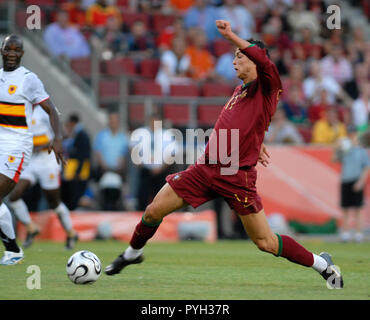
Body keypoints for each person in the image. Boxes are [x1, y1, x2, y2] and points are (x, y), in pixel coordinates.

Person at [105, 20, 343, 289]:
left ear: (254, 60)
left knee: (265, 242)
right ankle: (131, 255)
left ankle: (322, 264)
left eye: (239, 57)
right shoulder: (240, 90)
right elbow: (252, 121)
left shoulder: (268, 84)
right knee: (152, 211)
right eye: (233, 57)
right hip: (205, 169)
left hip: (235, 176)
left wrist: (230, 35)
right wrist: (257, 141)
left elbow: (263, 61)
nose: (234, 62)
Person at [0, 35, 64, 265]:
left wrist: (57, 139)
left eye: (17, 50)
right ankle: (12, 251)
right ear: (2, 50)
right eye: (9, 49)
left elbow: (52, 110)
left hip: (17, 147)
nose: (12, 54)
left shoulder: (29, 79)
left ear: (22, 54)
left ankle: (13, 250)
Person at [8, 106, 78, 250]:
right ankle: (31, 227)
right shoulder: (20, 108)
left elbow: (62, 133)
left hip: (48, 160)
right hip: (31, 160)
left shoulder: (44, 110)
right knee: (14, 195)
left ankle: (71, 233)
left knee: (53, 201)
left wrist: (41, 145)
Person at [332, 126, 370, 242]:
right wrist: (337, 148)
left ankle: (358, 233)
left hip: (356, 180)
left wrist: (361, 182)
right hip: (345, 180)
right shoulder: (345, 149)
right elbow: (334, 159)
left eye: (353, 134)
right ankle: (345, 233)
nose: (351, 136)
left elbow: (367, 167)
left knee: (358, 209)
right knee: (345, 209)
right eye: (350, 134)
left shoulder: (361, 150)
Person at [61, 113, 91, 211]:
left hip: (77, 172)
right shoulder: (80, 135)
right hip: (75, 171)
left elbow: (82, 155)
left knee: (74, 196)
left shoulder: (81, 135)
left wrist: (77, 171)